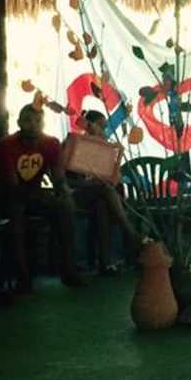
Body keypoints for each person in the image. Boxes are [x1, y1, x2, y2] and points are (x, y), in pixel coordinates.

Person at [0, 103, 84, 295]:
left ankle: (68, 267)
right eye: (28, 121)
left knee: (66, 207)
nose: (33, 125)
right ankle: (23, 275)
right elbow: (12, 185)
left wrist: (63, 192)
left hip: (36, 196)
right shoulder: (7, 145)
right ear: (19, 123)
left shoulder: (51, 143)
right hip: (10, 197)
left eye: (38, 121)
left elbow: (58, 177)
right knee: (16, 212)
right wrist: (39, 196)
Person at [66, 109, 141, 274]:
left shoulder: (106, 149)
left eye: (105, 127)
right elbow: (65, 180)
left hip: (99, 197)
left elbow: (113, 181)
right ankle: (130, 232)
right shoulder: (74, 143)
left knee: (102, 205)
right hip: (78, 195)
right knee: (104, 190)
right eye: (100, 126)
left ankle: (105, 263)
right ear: (88, 125)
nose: (103, 130)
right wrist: (88, 184)